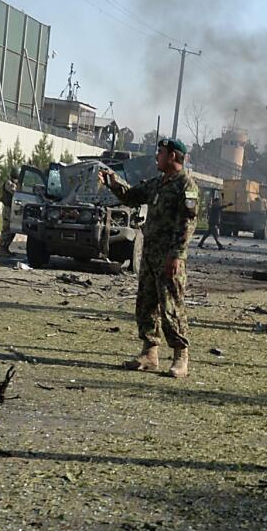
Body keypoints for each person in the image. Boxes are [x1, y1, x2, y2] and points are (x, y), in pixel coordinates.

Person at [99, 138, 200, 378]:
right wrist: (113, 183)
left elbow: (188, 224)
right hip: (150, 255)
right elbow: (132, 196)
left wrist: (177, 255)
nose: (157, 156)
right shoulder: (158, 183)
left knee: (171, 306)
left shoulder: (186, 186)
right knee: (146, 304)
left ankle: (180, 356)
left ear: (173, 156)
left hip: (169, 257)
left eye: (161, 152)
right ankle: (149, 353)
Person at [0, 169, 19, 257]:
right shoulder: (9, 183)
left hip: (13, 209)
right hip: (8, 209)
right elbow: (15, 192)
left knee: (12, 230)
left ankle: (6, 249)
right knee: (7, 229)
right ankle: (2, 249)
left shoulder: (15, 184)